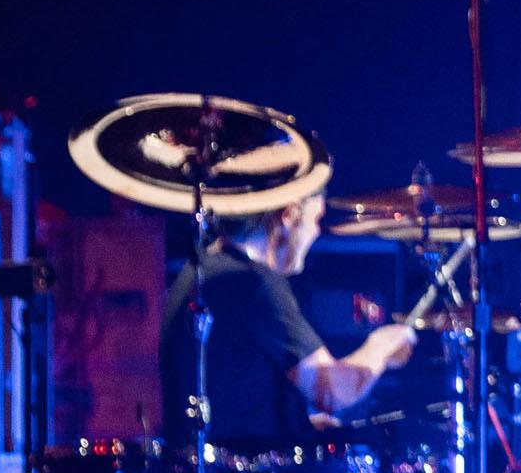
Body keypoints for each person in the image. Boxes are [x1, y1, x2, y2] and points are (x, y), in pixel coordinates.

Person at [158, 192, 418, 451]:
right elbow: (333, 391)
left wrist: (295, 424)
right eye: (315, 219)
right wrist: (383, 345)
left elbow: (235, 397)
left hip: (208, 463)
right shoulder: (250, 281)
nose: (316, 232)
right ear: (289, 215)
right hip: (241, 471)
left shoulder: (200, 271)